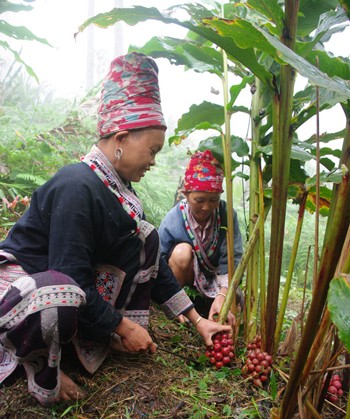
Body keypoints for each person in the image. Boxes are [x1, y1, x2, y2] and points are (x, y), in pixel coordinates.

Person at [0, 52, 231, 407]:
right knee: (60, 294)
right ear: (121, 138)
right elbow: (71, 276)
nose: (154, 161)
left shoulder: (116, 190)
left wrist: (198, 320)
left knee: (146, 237)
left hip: (60, 286)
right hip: (23, 289)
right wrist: (120, 326)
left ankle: (78, 338)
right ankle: (36, 363)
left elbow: (152, 264)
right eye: (152, 150)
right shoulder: (78, 186)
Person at [158, 150, 244, 327]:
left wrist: (223, 296)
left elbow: (232, 258)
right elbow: (158, 259)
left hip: (218, 280)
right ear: (186, 194)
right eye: (199, 200)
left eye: (213, 200)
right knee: (181, 252)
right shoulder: (174, 218)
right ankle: (181, 303)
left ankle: (215, 303)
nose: (206, 207)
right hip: (187, 276)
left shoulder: (227, 214)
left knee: (232, 318)